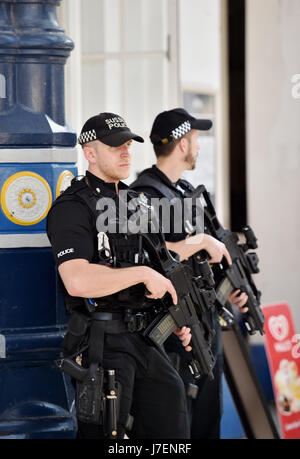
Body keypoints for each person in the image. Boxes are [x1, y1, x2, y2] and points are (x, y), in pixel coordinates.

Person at [46, 112, 193, 439]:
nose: (126, 152)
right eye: (115, 146)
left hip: (144, 337)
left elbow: (160, 262)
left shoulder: (134, 202)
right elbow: (77, 279)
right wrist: (140, 274)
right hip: (103, 341)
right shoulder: (72, 208)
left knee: (172, 420)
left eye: (128, 144)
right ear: (90, 153)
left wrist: (176, 316)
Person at [130, 108, 248, 439]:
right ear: (182, 143)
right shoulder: (145, 196)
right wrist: (200, 241)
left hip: (204, 318)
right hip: (175, 330)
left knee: (208, 418)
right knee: (179, 423)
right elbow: (148, 254)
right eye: (195, 139)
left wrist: (228, 284)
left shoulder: (183, 190)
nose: (198, 146)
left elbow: (199, 259)